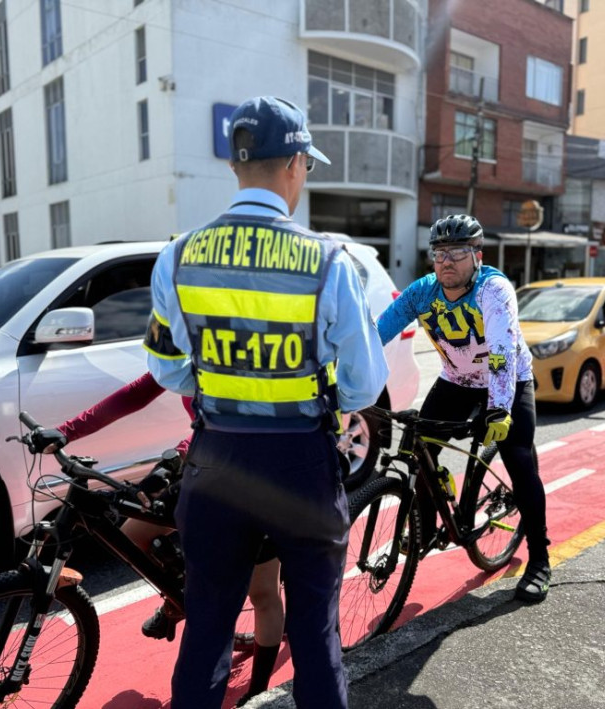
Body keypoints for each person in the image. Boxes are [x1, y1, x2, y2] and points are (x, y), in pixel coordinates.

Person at [145, 95, 388, 708]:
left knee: (207, 628)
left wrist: (226, 384)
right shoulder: (331, 260)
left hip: (215, 460)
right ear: (296, 164)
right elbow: (363, 387)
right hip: (301, 465)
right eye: (307, 166)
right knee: (314, 628)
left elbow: (167, 370)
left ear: (236, 166)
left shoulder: (177, 256)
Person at [30, 372, 285, 704]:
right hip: (207, 464)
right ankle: (179, 600)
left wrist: (175, 460)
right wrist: (66, 431)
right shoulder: (184, 342)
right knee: (135, 533)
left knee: (262, 592)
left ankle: (258, 693)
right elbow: (138, 392)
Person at [376, 214, 551, 603]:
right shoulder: (423, 292)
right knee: (418, 449)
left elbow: (503, 352)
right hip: (457, 381)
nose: (447, 261)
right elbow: (377, 333)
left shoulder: (493, 289)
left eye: (457, 252)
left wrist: (499, 408)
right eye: (439, 253)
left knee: (520, 461)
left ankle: (539, 557)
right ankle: (427, 524)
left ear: (477, 255)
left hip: (509, 380)